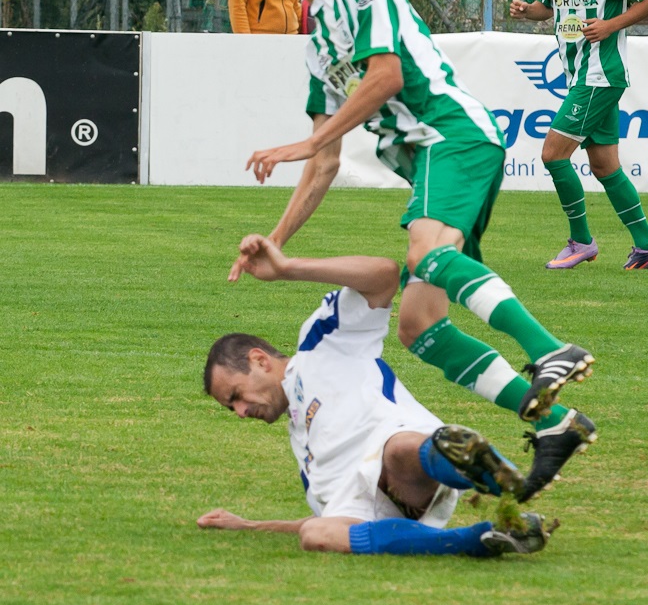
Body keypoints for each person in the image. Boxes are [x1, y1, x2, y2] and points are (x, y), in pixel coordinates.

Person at [228, 0, 597, 494]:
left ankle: (551, 349)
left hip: (453, 137)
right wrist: (276, 244)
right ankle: (557, 424)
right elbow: (324, 164)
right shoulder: (318, 39)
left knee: (424, 255)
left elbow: (387, 75)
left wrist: (304, 142)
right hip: (437, 158)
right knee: (419, 327)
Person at [199, 235, 557, 557]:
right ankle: (483, 537)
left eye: (236, 396)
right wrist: (250, 525)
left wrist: (288, 268)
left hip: (406, 461)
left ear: (259, 360)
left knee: (400, 448)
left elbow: (384, 276)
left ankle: (482, 470)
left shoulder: (320, 343)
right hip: (377, 512)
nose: (240, 411)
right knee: (316, 533)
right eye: (231, 408)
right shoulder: (303, 449)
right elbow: (332, 518)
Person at [509, 0, 648, 271]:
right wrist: (527, 11)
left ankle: (581, 241)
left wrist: (611, 25)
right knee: (605, 166)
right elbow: (547, 7)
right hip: (580, 74)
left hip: (600, 74)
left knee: (552, 154)